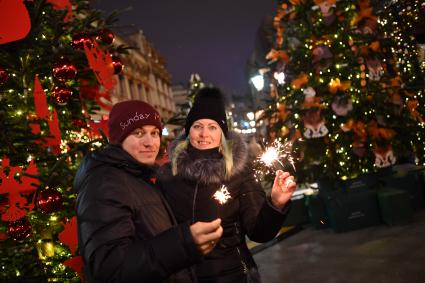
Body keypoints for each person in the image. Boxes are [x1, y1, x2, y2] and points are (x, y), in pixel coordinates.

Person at [73, 100, 223, 283]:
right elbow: (110, 269)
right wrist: (183, 243)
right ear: (118, 139)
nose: (150, 142)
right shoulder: (105, 183)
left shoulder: (137, 176)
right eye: (138, 133)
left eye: (155, 133)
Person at [158, 87, 297, 283]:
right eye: (198, 126)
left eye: (212, 127)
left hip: (232, 275)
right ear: (188, 131)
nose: (204, 133)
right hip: (182, 277)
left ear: (222, 134)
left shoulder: (239, 173)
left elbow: (259, 232)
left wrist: (275, 204)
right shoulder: (168, 175)